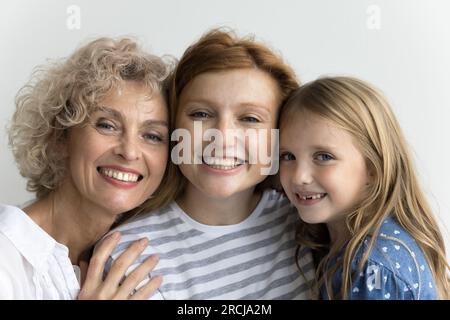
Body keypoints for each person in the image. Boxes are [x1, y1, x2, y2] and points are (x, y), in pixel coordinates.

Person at [105, 28, 315, 299]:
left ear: (280, 134)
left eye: (250, 119)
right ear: (173, 126)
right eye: (201, 114)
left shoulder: (309, 221)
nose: (223, 138)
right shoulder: (130, 256)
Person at [0, 37, 176, 299]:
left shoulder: (135, 264)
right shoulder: (7, 256)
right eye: (107, 125)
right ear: (60, 136)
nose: (129, 151)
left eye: (152, 136)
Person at [278, 76, 450, 299]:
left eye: (323, 156)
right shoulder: (345, 242)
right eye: (287, 156)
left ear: (373, 169)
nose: (299, 176)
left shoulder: (373, 268)